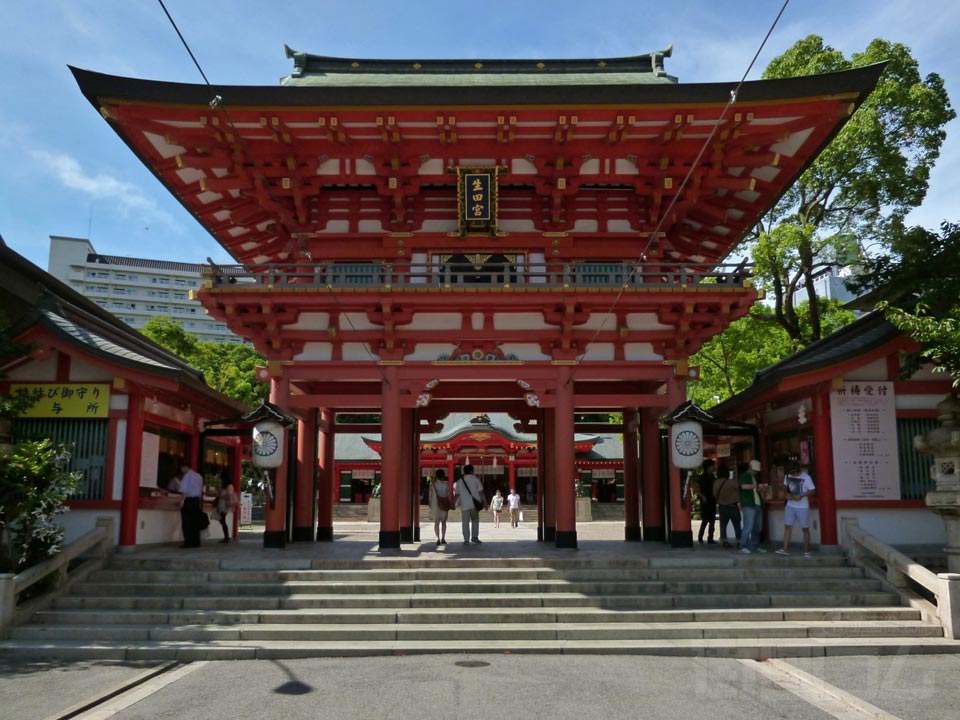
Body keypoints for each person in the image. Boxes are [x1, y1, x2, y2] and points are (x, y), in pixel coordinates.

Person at [776, 461, 816, 557]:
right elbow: (785, 488)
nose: (792, 475)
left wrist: (801, 495)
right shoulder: (788, 476)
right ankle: (785, 549)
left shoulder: (806, 477)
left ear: (798, 470)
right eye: (791, 473)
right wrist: (786, 494)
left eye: (794, 473)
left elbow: (813, 490)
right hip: (790, 505)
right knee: (787, 526)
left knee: (805, 528)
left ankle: (807, 551)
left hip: (803, 506)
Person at [738, 459, 767, 554]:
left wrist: (761, 490)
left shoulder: (753, 478)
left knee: (757, 527)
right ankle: (743, 545)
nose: (755, 472)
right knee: (748, 526)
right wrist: (757, 486)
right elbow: (743, 486)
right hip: (748, 504)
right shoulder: (744, 476)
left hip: (757, 503)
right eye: (754, 470)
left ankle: (755, 545)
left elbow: (754, 488)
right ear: (750, 467)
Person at [173, 461, 204, 548]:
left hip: (189, 501)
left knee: (187, 522)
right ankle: (196, 542)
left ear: (184, 467)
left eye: (181, 468)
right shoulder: (199, 476)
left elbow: (185, 492)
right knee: (195, 522)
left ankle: (188, 542)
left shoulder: (187, 476)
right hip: (196, 501)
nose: (181, 470)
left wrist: (181, 502)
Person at [453, 464, 486, 544]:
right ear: (472, 471)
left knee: (465, 522)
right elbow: (481, 492)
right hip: (474, 504)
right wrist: (485, 503)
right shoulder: (476, 480)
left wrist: (453, 503)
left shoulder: (459, 481)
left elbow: (457, 494)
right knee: (475, 520)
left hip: (464, 504)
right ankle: (474, 537)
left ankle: (466, 539)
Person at [713, 464, 741, 549]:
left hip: (722, 506)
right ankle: (739, 541)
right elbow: (740, 489)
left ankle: (724, 541)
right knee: (737, 525)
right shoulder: (732, 482)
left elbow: (714, 494)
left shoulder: (716, 483)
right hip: (733, 506)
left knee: (723, 525)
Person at [696, 460, 717, 544]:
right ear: (708, 467)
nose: (714, 467)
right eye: (712, 466)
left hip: (712, 500)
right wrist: (702, 496)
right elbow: (697, 488)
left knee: (712, 520)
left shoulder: (713, 477)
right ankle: (700, 536)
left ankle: (710, 537)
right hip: (705, 501)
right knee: (705, 520)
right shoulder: (701, 477)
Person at [429, 469, 451, 547]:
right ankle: (443, 538)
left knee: (436, 523)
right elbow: (449, 496)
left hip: (435, 505)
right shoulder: (446, 484)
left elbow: (430, 496)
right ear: (443, 475)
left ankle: (437, 538)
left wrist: (430, 505)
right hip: (444, 504)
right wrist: (451, 503)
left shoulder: (433, 484)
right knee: (444, 522)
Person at [215, 478, 239, 544]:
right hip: (223, 505)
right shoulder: (228, 486)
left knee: (222, 521)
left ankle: (226, 537)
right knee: (222, 521)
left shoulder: (229, 486)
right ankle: (226, 537)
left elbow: (228, 495)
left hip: (224, 506)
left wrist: (221, 495)